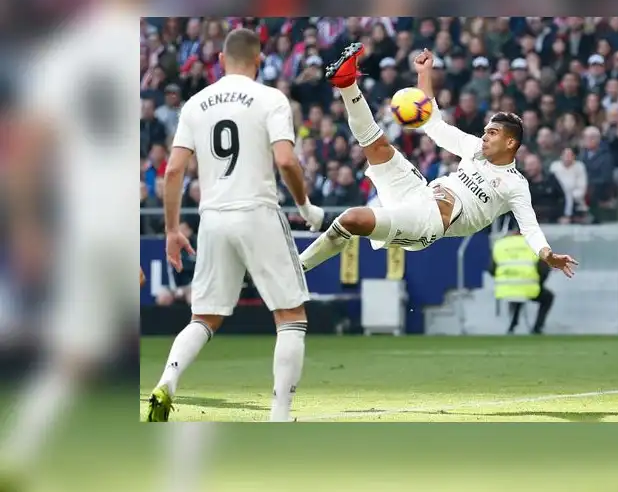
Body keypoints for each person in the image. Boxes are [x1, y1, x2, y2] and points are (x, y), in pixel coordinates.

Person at [145, 28, 326, 423]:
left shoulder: (195, 104)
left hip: (212, 218)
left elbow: (173, 169)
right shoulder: (270, 99)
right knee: (291, 316)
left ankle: (166, 383)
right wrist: (305, 205)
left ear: (221, 60)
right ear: (259, 59)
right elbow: (286, 161)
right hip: (257, 212)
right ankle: (279, 414)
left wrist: (173, 230)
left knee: (203, 318)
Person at [299, 45, 578, 280]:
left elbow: (529, 227)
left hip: (428, 223)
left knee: (352, 218)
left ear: (510, 143)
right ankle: (347, 84)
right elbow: (433, 124)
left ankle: (297, 269)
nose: (484, 135)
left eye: (492, 133)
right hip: (420, 192)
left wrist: (547, 254)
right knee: (378, 146)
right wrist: (424, 74)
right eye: (485, 130)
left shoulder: (515, 184)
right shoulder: (474, 148)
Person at [488, 223, 555, 335]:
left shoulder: (500, 244)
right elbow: (544, 270)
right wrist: (539, 283)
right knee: (548, 297)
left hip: (505, 288)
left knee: (517, 294)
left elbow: (491, 269)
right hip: (528, 286)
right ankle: (537, 328)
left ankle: (513, 325)